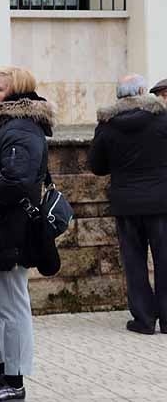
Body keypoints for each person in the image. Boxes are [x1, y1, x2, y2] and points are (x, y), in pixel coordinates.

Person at [0, 67, 53, 402]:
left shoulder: (23, 129)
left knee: (10, 305)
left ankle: (14, 379)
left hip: (10, 233)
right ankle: (0, 367)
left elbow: (19, 180)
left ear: (16, 93)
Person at [89, 73, 167, 336]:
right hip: (161, 202)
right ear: (144, 91)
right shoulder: (162, 119)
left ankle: (144, 320)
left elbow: (96, 166)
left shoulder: (107, 126)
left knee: (134, 262)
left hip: (126, 204)